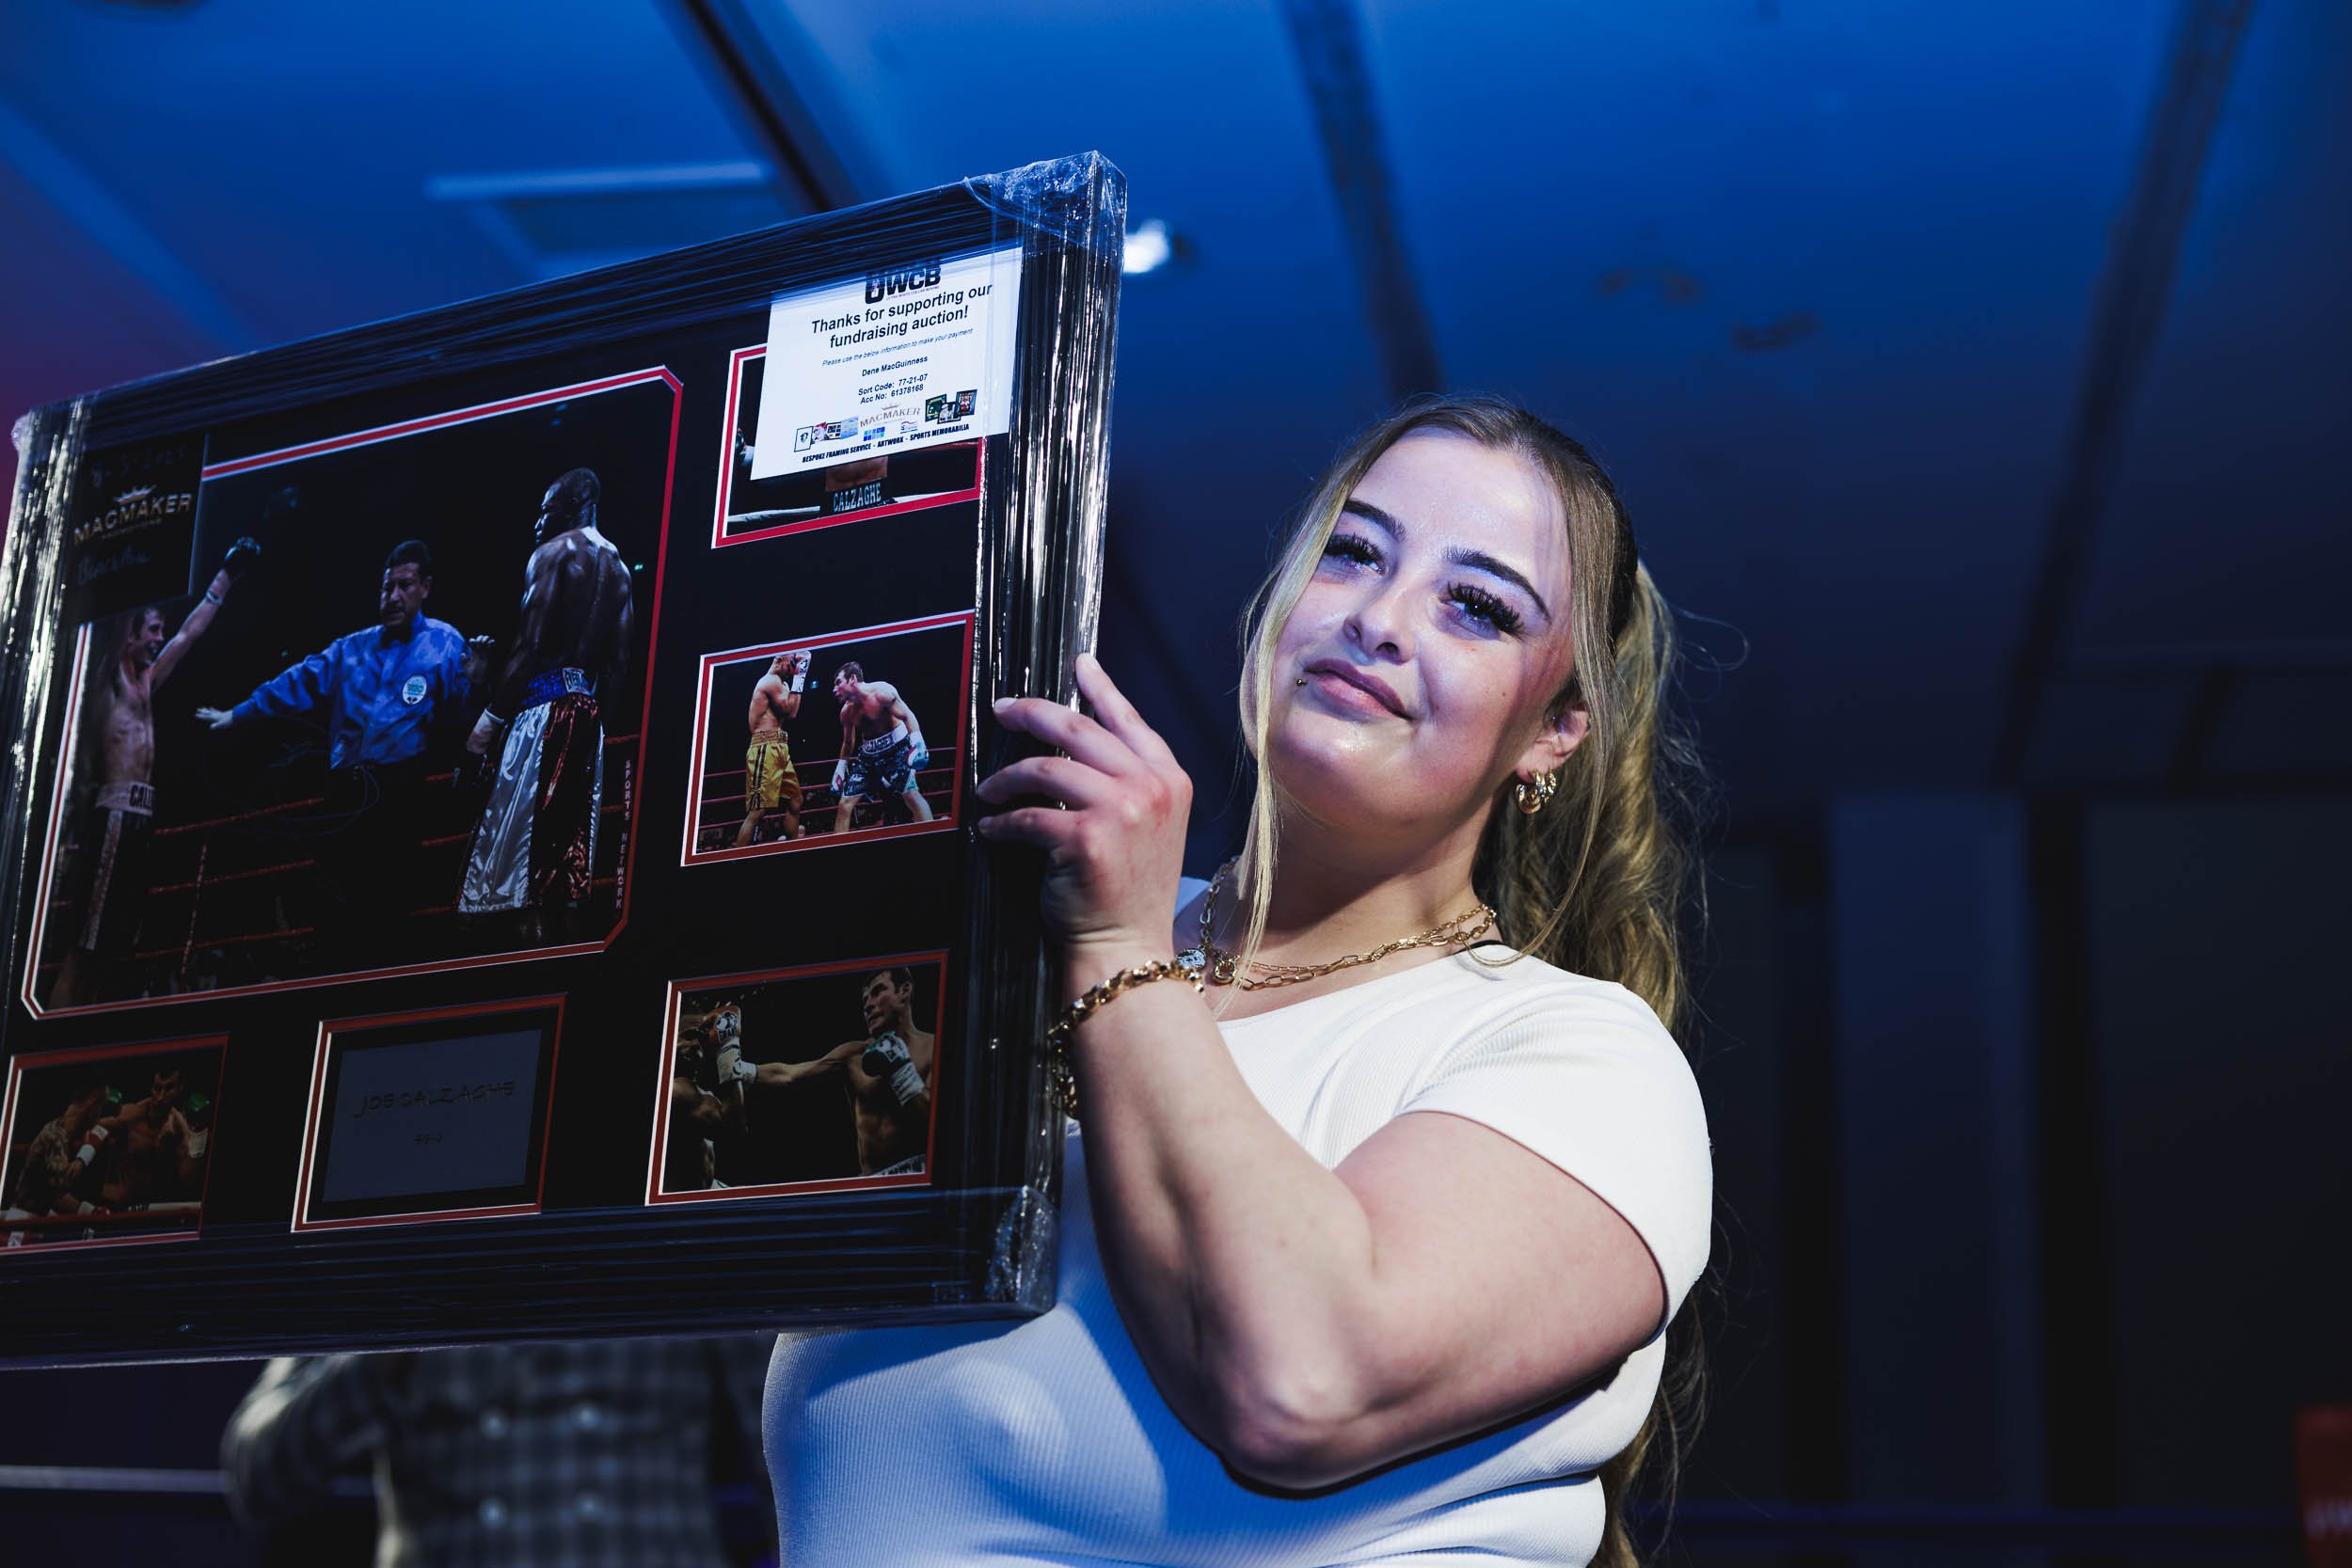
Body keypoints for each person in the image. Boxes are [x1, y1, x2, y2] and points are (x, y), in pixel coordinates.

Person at [764, 396, 1712, 1568]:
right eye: (1351, 551)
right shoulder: (1029, 940)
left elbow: (1299, 1386)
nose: (1376, 617)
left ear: (1553, 731)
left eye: (1475, 606)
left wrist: (1116, 945)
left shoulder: (1577, 1054)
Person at [221, 1338, 775, 1568]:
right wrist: (380, 1352)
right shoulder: (388, 1245)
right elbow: (254, 1476)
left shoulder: (667, 1225)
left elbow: (792, 1458)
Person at [197, 539, 485, 968]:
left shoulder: (446, 643)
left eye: (404, 586)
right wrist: (238, 715)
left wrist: (476, 681)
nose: (392, 597)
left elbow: (460, 717)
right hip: (345, 789)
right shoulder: (352, 648)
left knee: (390, 907)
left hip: (400, 789)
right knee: (332, 907)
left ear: (424, 587)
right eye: (386, 587)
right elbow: (297, 681)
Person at [53, 537, 255, 1005]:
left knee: (118, 946)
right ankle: (53, 1035)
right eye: (152, 631)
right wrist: (140, 550)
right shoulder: (110, 678)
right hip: (114, 820)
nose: (160, 638)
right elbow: (117, 621)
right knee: (87, 944)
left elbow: (190, 634)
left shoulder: (148, 680)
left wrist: (226, 574)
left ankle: (86, 1039)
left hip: (140, 823)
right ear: (130, 635)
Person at [460, 468, 633, 942]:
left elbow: (531, 645)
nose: (538, 521)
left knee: (519, 860)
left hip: (542, 712)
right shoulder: (618, 569)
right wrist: (598, 725)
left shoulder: (553, 554)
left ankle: (516, 967)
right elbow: (618, 665)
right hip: (588, 714)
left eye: (547, 508)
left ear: (576, 503)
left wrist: (487, 721)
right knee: (569, 859)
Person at [720, 968, 934, 1177]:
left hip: (924, 1176)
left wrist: (900, 1068)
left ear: (905, 991)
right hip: (872, 1184)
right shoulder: (853, 1055)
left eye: (878, 991)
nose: (868, 1005)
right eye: (865, 1000)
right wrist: (739, 1069)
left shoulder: (934, 1047)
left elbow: (942, 1126)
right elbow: (789, 1075)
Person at [827, 662, 931, 832]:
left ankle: (933, 839)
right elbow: (848, 742)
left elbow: (907, 715)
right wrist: (840, 768)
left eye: (838, 682)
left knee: (911, 795)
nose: (834, 689)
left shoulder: (882, 693)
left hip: (896, 749)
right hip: (868, 756)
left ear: (852, 679)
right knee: (844, 804)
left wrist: (918, 743)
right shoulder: (846, 712)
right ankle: (838, 852)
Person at [738, 650, 810, 847]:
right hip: (764, 746)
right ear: (778, 660)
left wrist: (799, 678)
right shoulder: (769, 681)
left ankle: (793, 848)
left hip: (780, 748)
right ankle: (735, 856)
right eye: (791, 663)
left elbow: (793, 711)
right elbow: (789, 709)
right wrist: (800, 676)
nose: (793, 667)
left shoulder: (783, 684)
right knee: (758, 810)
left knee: (796, 801)